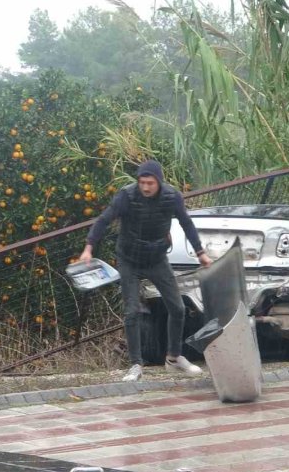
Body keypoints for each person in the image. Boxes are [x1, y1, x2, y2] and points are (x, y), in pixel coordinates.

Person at [79, 160, 212, 382]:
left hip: (157, 259)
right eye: (142, 182)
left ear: (158, 182)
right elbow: (103, 220)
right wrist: (88, 248)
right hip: (129, 259)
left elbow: (187, 223)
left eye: (150, 183)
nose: (146, 187)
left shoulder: (172, 196)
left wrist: (200, 253)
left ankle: (174, 357)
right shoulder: (126, 196)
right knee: (132, 311)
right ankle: (135, 364)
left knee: (178, 308)